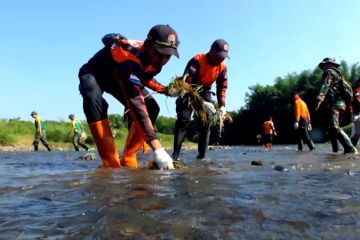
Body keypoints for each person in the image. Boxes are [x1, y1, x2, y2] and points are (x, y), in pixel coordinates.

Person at [78, 24, 179, 169]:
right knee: (94, 100)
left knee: (152, 107)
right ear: (148, 44)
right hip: (95, 74)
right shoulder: (128, 56)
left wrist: (163, 89)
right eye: (160, 54)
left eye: (168, 55)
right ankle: (110, 163)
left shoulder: (157, 60)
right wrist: (158, 148)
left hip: (119, 77)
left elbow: (144, 77)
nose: (163, 60)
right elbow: (136, 103)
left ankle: (129, 157)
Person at [171, 39, 229, 160]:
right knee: (183, 119)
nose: (220, 59)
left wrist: (222, 106)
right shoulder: (196, 61)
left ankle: (202, 156)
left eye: (223, 57)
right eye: (218, 56)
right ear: (211, 51)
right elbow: (187, 85)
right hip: (188, 89)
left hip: (205, 90)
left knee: (205, 122)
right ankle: (175, 155)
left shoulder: (222, 67)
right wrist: (202, 103)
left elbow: (222, 86)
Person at [315, 57, 357, 154]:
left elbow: (325, 85)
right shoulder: (339, 75)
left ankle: (350, 148)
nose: (324, 66)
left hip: (335, 104)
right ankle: (335, 152)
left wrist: (319, 100)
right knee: (332, 129)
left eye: (325, 64)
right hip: (341, 105)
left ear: (330, 64)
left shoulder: (329, 72)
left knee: (334, 127)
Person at [350, 77, 360, 147]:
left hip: (356, 114)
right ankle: (350, 147)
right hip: (357, 115)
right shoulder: (358, 90)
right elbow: (357, 100)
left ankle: (350, 147)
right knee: (357, 133)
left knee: (356, 133)